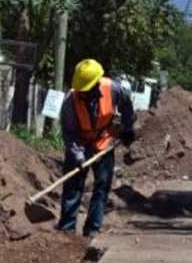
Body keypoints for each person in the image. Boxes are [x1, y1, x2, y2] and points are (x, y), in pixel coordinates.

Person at [56, 59, 136, 238]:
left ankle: (92, 228)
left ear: (96, 84)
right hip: (80, 143)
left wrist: (128, 128)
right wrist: (78, 156)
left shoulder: (113, 89)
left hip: (103, 141)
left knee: (102, 185)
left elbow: (127, 106)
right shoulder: (71, 100)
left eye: (87, 90)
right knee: (73, 186)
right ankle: (67, 228)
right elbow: (69, 134)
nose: (83, 94)